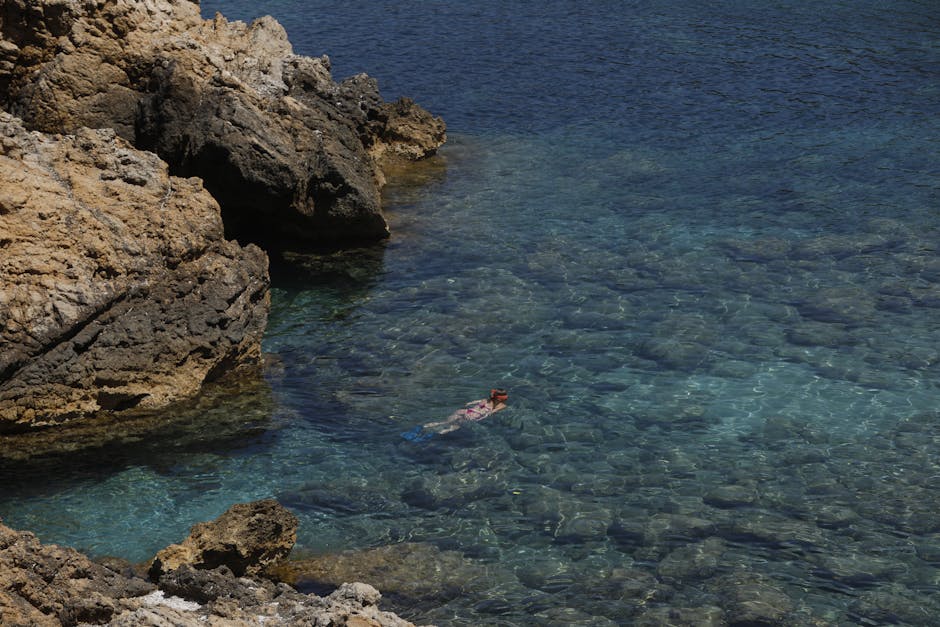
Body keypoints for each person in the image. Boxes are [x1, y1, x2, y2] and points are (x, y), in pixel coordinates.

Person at [402, 389, 509, 441]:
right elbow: (490, 413)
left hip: (465, 411)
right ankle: (427, 437)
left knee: (444, 422)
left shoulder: (486, 399)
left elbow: (469, 403)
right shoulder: (501, 406)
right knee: (453, 427)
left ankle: (419, 429)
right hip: (473, 417)